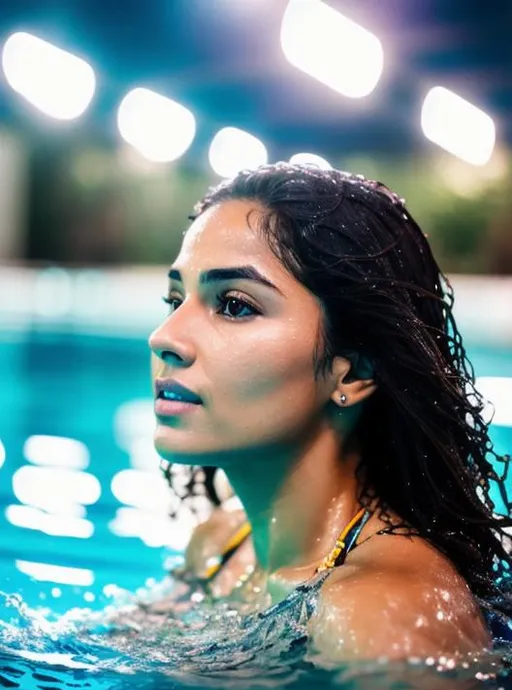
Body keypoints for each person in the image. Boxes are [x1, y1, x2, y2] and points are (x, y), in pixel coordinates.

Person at [149, 162, 511, 663]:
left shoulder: (384, 613)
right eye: (174, 299)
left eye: (233, 305)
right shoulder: (220, 546)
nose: (164, 338)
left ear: (353, 372)